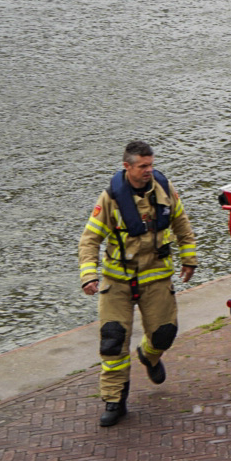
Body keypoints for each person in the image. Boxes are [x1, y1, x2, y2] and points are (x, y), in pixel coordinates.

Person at [79, 140, 197, 427]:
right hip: (118, 279)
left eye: (151, 165)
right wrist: (89, 275)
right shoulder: (111, 199)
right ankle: (114, 400)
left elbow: (182, 226)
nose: (149, 170)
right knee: (113, 340)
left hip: (156, 275)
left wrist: (189, 259)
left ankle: (149, 355)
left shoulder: (165, 191)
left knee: (164, 333)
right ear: (127, 167)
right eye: (143, 166)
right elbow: (90, 239)